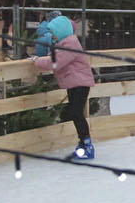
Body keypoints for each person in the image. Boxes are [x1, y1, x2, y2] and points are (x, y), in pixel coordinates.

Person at [33, 12, 97, 159]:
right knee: (75, 113)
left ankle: (87, 145)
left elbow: (55, 63)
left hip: (80, 83)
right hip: (74, 83)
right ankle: (83, 144)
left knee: (76, 113)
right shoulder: (65, 43)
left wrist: (36, 60)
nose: (53, 36)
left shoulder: (70, 45)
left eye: (54, 33)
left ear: (60, 32)